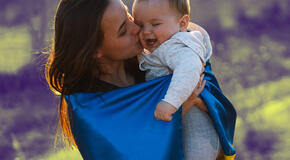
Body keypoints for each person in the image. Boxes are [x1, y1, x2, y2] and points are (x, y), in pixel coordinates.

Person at [45, 0, 236, 159]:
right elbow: (129, 152)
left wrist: (202, 101)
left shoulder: (154, 55)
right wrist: (181, 107)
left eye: (128, 16)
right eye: (122, 30)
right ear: (95, 51)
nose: (137, 28)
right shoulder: (88, 108)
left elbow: (206, 83)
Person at [132, 0, 223, 159]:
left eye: (155, 24)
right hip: (180, 129)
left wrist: (170, 102)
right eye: (140, 25)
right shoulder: (161, 46)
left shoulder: (177, 46)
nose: (146, 31)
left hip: (198, 130)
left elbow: (189, 70)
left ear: (182, 23)